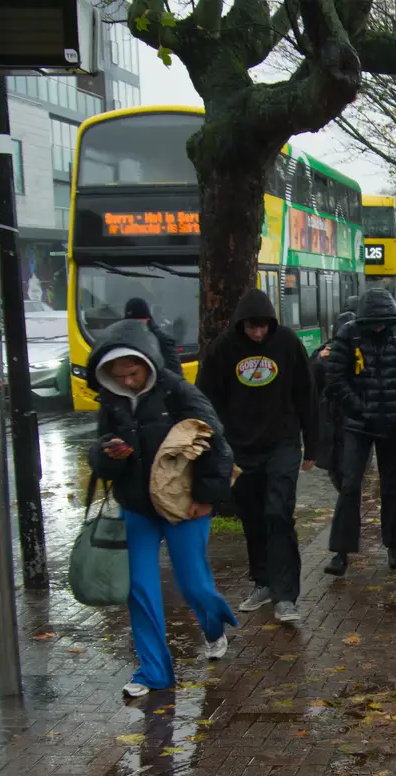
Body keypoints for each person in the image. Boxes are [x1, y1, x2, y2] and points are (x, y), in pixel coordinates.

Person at [86, 320, 237, 699]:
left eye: (133, 373)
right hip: (137, 507)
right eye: (119, 375)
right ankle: (154, 671)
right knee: (139, 587)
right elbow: (101, 457)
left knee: (193, 583)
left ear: (147, 363)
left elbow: (215, 443)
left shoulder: (177, 391)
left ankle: (214, 625)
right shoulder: (112, 400)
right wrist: (110, 454)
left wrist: (207, 497)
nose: (129, 381)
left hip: (184, 504)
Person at [197, 288, 317, 625]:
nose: (258, 333)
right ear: (241, 324)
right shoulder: (224, 348)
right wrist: (210, 444)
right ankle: (262, 581)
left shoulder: (287, 344)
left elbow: (306, 393)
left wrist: (314, 444)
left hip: (282, 442)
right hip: (240, 447)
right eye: (252, 327)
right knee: (252, 514)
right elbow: (205, 395)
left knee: (279, 512)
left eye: (264, 326)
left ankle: (286, 595)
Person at [322, 286, 396, 575]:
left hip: (391, 423)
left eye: (383, 322)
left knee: (393, 485)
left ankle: (395, 547)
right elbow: (335, 378)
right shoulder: (348, 335)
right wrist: (358, 408)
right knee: (350, 485)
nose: (379, 327)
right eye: (374, 322)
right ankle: (340, 552)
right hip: (358, 424)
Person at [310, 304, 357, 493]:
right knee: (336, 467)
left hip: (353, 419)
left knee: (350, 469)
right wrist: (319, 361)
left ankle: (349, 501)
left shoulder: (362, 351)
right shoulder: (323, 353)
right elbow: (311, 382)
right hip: (331, 418)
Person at [124, 297, 183, 373]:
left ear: (147, 319)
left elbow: (175, 373)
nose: (134, 326)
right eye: (130, 322)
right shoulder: (123, 339)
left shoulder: (163, 340)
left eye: (138, 322)